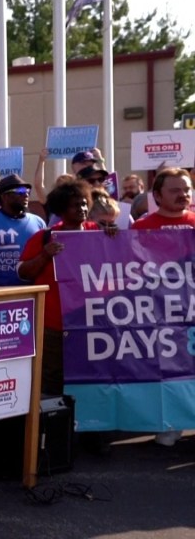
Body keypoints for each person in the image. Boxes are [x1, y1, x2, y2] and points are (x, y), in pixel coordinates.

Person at [132, 167, 194, 447]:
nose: (183, 195)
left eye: (187, 189)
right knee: (166, 369)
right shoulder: (141, 227)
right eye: (175, 190)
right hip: (160, 312)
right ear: (157, 195)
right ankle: (171, 423)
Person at [17, 180, 97, 398]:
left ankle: (89, 426)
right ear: (61, 209)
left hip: (92, 322)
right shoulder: (44, 237)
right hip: (53, 326)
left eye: (83, 204)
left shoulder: (98, 232)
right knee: (52, 381)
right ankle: (55, 427)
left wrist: (114, 237)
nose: (81, 209)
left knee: (91, 377)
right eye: (74, 205)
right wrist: (45, 255)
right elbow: (23, 272)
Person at [0, 174, 47, 287]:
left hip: (32, 289)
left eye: (27, 190)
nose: (26, 194)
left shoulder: (38, 222)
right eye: (20, 191)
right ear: (4, 196)